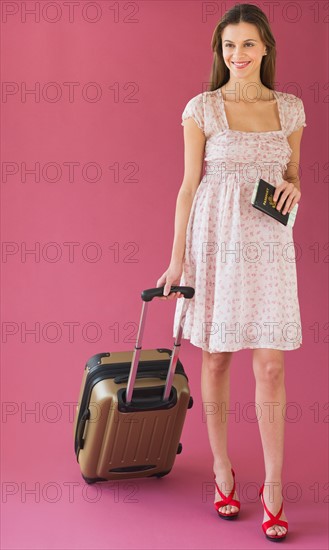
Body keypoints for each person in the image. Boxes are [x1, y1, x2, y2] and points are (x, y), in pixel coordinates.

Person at [156, 2, 307, 542]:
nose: (237, 55)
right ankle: (223, 471)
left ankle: (272, 488)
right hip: (214, 243)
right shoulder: (202, 108)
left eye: (247, 44)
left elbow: (291, 175)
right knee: (216, 360)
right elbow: (187, 186)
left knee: (269, 368)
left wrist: (296, 187)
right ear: (220, 53)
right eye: (228, 46)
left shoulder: (290, 110)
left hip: (267, 245)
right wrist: (178, 259)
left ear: (265, 46)